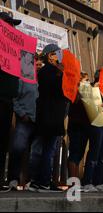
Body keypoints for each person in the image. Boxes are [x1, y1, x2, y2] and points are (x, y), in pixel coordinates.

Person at [28, 44, 70, 192]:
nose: (59, 56)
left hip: (43, 116)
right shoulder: (54, 73)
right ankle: (44, 181)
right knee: (48, 151)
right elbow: (60, 93)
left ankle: (36, 181)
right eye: (57, 53)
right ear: (50, 55)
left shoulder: (43, 72)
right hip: (52, 118)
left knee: (40, 150)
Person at [2, 55, 42, 192]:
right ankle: (13, 179)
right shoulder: (24, 79)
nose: (38, 65)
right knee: (18, 149)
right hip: (25, 120)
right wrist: (21, 113)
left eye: (39, 63)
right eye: (36, 62)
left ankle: (29, 180)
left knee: (34, 153)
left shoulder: (41, 81)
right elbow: (15, 98)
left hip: (37, 121)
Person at [0, 12, 21, 189]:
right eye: (9, 24)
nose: (12, 28)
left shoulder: (13, 53)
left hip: (8, 102)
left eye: (13, 25)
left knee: (3, 142)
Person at [81, 72, 103, 193]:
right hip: (95, 122)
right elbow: (88, 102)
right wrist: (95, 89)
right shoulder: (90, 88)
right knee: (94, 152)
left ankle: (98, 182)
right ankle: (87, 181)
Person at [67, 72, 90, 181]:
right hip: (75, 125)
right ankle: (73, 181)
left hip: (84, 126)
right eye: (85, 80)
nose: (87, 82)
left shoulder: (88, 92)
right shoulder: (74, 90)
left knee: (80, 153)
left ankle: (75, 179)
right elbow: (74, 101)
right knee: (74, 152)